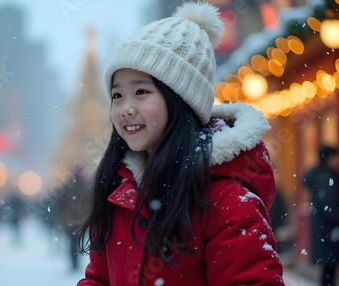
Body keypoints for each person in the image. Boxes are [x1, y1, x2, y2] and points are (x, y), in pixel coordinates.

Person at [77, 2, 284, 285]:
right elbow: (98, 279)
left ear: (180, 100)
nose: (125, 108)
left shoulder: (227, 200)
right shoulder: (120, 191)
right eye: (117, 95)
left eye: (140, 91)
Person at [303, 146, 339, 286]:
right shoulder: (327, 178)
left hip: (326, 233)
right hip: (330, 234)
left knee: (329, 272)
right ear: (329, 158)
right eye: (336, 157)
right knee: (329, 273)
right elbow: (330, 209)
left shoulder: (322, 176)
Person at [56, 164, 90, 271]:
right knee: (73, 243)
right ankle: (74, 263)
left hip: (79, 220)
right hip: (73, 220)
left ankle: (75, 263)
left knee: (76, 243)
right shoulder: (82, 184)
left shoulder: (84, 184)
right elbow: (60, 202)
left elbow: (90, 202)